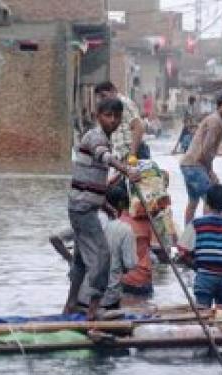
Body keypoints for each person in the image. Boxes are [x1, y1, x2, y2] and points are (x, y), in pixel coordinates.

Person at [65, 98, 140, 320]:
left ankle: (70, 305)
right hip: (82, 208)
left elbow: (91, 178)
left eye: (117, 117)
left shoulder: (103, 139)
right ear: (98, 116)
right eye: (108, 116)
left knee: (80, 260)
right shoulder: (94, 137)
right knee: (102, 255)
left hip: (83, 205)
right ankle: (93, 311)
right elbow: (104, 157)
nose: (113, 121)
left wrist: (104, 204)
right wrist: (126, 170)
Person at [51, 186, 138, 311]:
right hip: (108, 300)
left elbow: (55, 238)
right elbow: (130, 264)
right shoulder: (124, 229)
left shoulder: (86, 222)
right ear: (121, 204)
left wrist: (70, 260)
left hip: (80, 297)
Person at [180, 94, 222, 225]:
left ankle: (188, 235)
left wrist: (210, 170)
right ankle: (207, 231)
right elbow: (206, 149)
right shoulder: (216, 122)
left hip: (188, 164)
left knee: (193, 202)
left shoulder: (214, 120)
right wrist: (209, 172)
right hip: (195, 165)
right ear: (218, 107)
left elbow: (206, 151)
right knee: (210, 201)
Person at [94, 81, 148, 162]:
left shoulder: (124, 103)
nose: (102, 100)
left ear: (113, 91)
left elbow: (138, 127)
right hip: (120, 155)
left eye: (103, 96)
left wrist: (132, 155)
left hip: (133, 154)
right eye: (100, 98)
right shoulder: (110, 106)